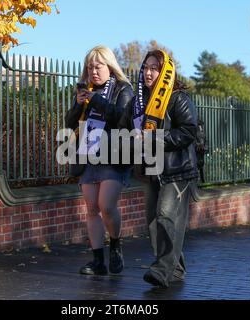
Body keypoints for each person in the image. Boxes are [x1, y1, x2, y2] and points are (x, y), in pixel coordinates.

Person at [119, 50, 198, 288]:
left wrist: (154, 137)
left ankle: (163, 270)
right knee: (153, 222)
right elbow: (122, 127)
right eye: (146, 67)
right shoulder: (137, 103)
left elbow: (188, 132)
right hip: (150, 168)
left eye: (155, 68)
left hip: (177, 169)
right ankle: (176, 268)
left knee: (166, 215)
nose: (148, 72)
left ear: (165, 72)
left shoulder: (177, 98)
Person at [65, 45, 134, 275]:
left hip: (114, 156)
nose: (93, 71)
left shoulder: (123, 89)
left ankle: (115, 245)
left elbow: (123, 118)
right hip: (88, 153)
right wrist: (78, 104)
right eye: (90, 67)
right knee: (92, 208)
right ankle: (97, 261)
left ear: (110, 66)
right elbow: (69, 123)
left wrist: (95, 101)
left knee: (106, 205)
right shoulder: (87, 90)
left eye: (98, 66)